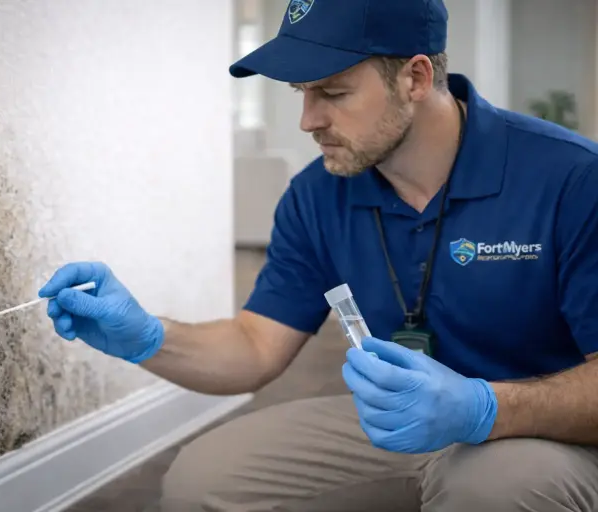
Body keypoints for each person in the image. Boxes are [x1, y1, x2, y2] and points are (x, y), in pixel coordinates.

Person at [38, 0, 598, 510]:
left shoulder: (570, 179)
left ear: (416, 77)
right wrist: (148, 338)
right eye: (301, 93)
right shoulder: (319, 192)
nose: (308, 121)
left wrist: (484, 407)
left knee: (494, 487)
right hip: (398, 427)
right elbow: (257, 345)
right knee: (203, 480)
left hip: (547, 432)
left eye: (332, 93)